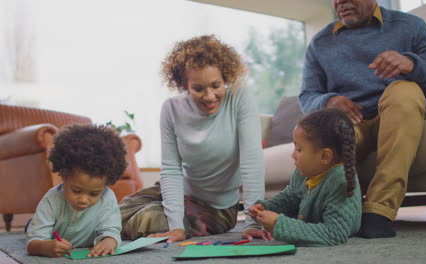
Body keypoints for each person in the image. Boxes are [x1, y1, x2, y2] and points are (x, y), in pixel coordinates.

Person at [299, 0, 426, 238]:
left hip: (399, 119)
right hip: (351, 124)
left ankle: (378, 213)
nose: (340, 2)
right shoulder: (320, 43)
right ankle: (336, 212)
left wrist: (412, 65)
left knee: (405, 90)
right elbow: (307, 96)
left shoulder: (411, 26)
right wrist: (328, 100)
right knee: (328, 123)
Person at [119, 35, 269, 242]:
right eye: (198, 88)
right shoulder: (171, 108)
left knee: (148, 218)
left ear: (225, 78)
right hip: (180, 192)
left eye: (216, 85)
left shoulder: (240, 99)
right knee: (115, 212)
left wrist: (253, 223)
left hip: (218, 209)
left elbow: (252, 162)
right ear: (184, 85)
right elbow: (171, 168)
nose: (209, 96)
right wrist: (176, 226)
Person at [248, 108, 361, 246]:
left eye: (299, 150)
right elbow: (290, 198)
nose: (293, 155)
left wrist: (279, 224)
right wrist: (266, 207)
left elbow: (334, 233)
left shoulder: (340, 182)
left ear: (325, 156)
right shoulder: (304, 173)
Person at [26, 124, 127, 257]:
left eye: (94, 193)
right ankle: (30, 223)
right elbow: (32, 244)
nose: (83, 200)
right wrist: (43, 246)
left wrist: (110, 241)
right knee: (31, 228)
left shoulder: (108, 197)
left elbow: (112, 230)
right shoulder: (52, 199)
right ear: (63, 174)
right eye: (76, 191)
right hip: (49, 228)